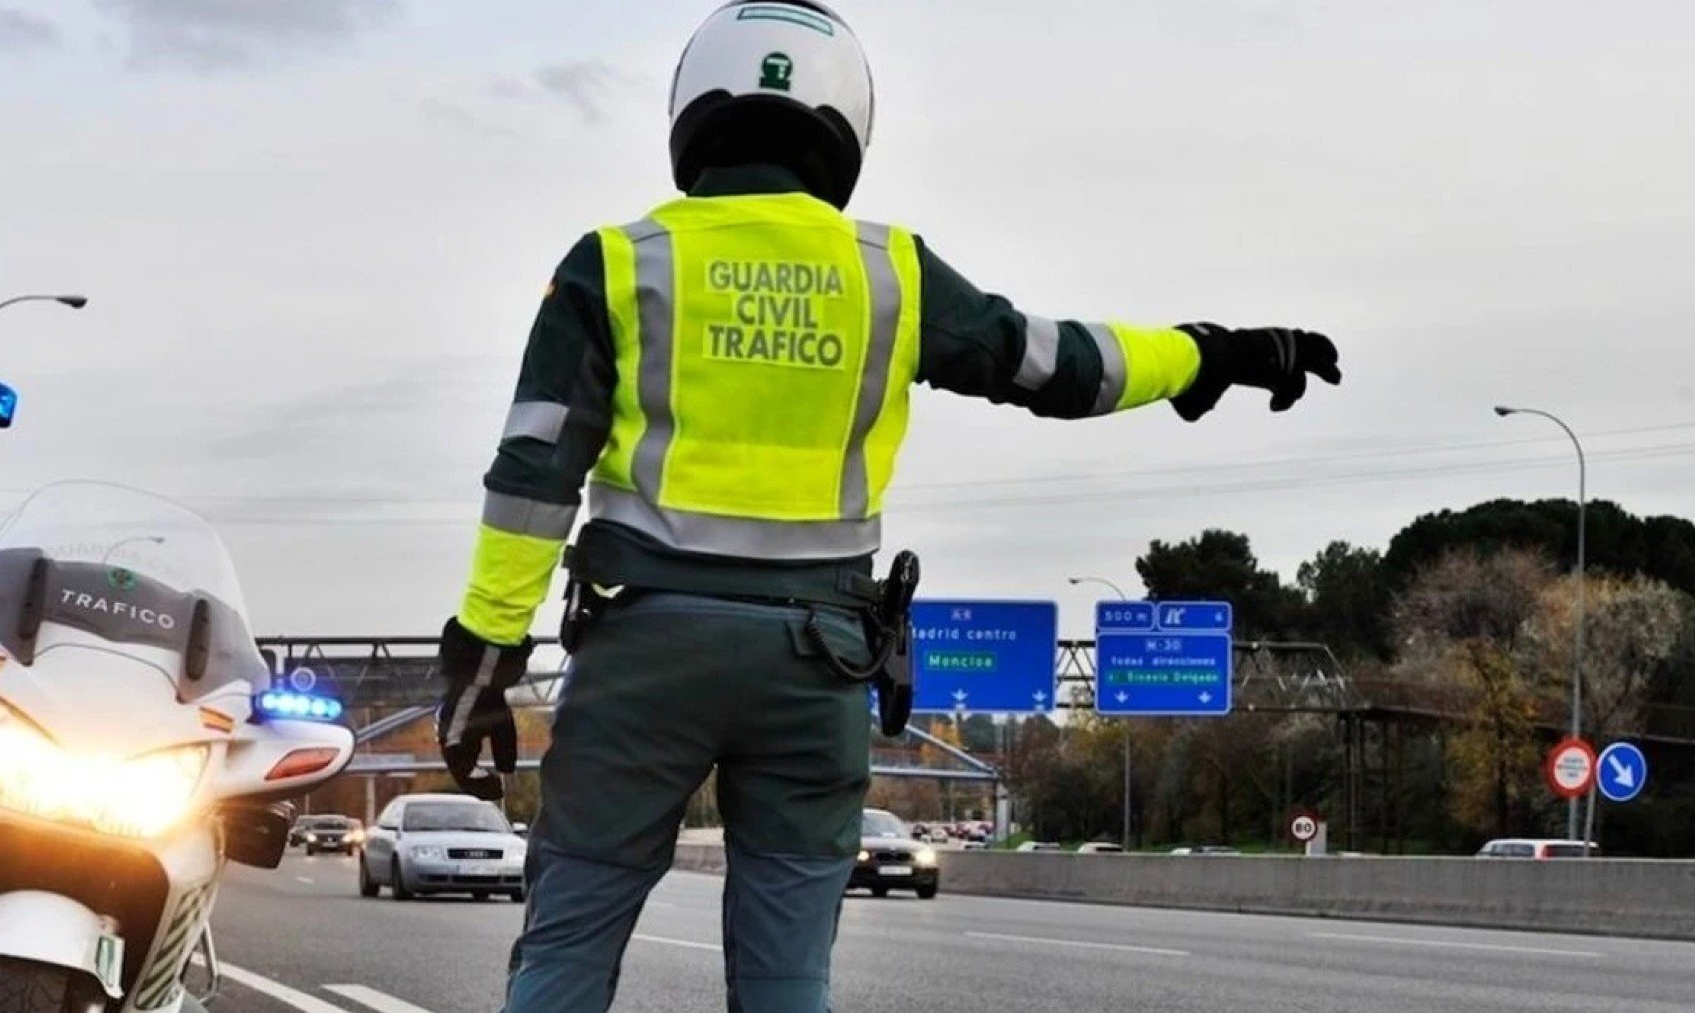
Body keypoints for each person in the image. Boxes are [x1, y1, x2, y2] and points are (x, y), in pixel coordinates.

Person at [434, 2, 1342, 1011]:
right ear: (844, 125)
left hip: (645, 654)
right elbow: (1055, 361)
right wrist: (1211, 352)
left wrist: (485, 654)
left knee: (567, 944)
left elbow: (532, 474)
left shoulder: (617, 262)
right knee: (788, 972)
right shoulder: (889, 273)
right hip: (816, 662)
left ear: (691, 109)